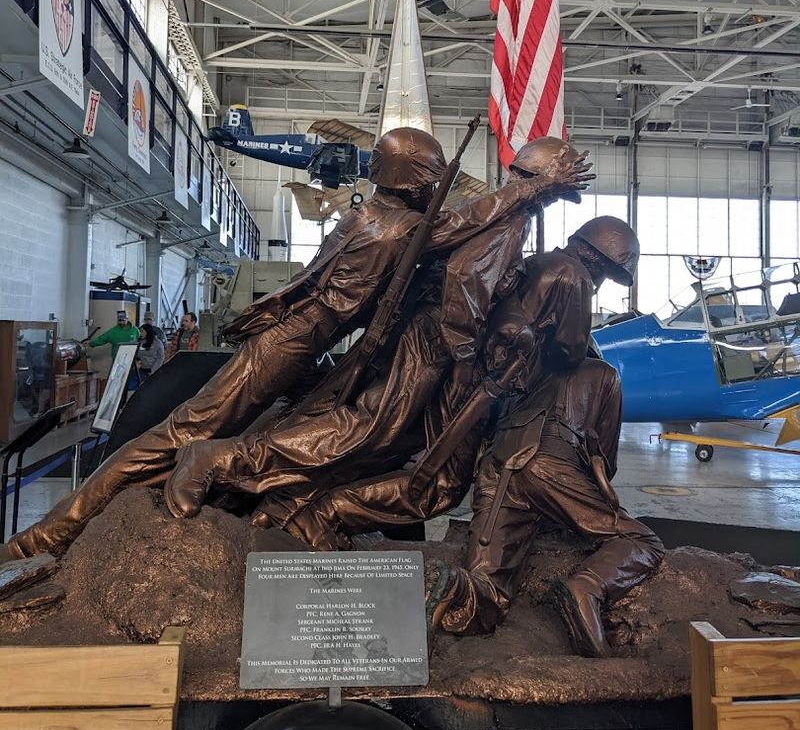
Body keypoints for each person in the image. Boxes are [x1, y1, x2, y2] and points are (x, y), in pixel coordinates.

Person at [2, 128, 591, 561]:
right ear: (411, 180)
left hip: (300, 340)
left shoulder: (376, 212)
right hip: (292, 341)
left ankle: (99, 519)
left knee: (291, 423)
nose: (439, 184)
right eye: (432, 176)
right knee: (181, 433)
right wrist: (528, 189)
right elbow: (455, 232)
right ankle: (48, 534)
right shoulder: (400, 226)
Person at [162, 137, 586, 523]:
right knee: (368, 428)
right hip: (433, 336)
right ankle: (217, 460)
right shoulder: (511, 220)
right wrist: (462, 355)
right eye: (565, 183)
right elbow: (465, 277)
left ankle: (282, 507)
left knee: (375, 433)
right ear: (546, 182)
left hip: (426, 331)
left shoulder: (507, 212)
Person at [269, 216, 640, 553]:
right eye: (608, 274)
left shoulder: (540, 261)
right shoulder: (572, 276)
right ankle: (327, 513)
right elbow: (571, 351)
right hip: (476, 391)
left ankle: (309, 506)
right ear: (598, 261)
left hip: (462, 380)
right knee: (438, 486)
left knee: (406, 461)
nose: (601, 282)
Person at [429, 357, 664, 658]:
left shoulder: (512, 373)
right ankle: (586, 588)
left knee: (487, 593)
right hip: (549, 463)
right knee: (642, 541)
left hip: (495, 472)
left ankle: (449, 584)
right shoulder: (603, 374)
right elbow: (603, 461)